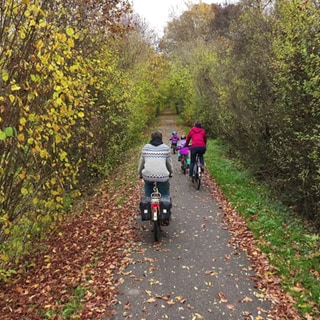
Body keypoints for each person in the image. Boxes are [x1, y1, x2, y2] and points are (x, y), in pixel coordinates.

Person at [138, 130, 173, 197]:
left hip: (148, 176)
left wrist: (140, 174)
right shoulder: (165, 148)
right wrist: (171, 173)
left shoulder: (146, 148)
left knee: (148, 192)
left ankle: (148, 202)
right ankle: (164, 204)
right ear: (161, 138)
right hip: (163, 176)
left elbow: (141, 164)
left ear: (151, 138)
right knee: (164, 194)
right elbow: (169, 164)